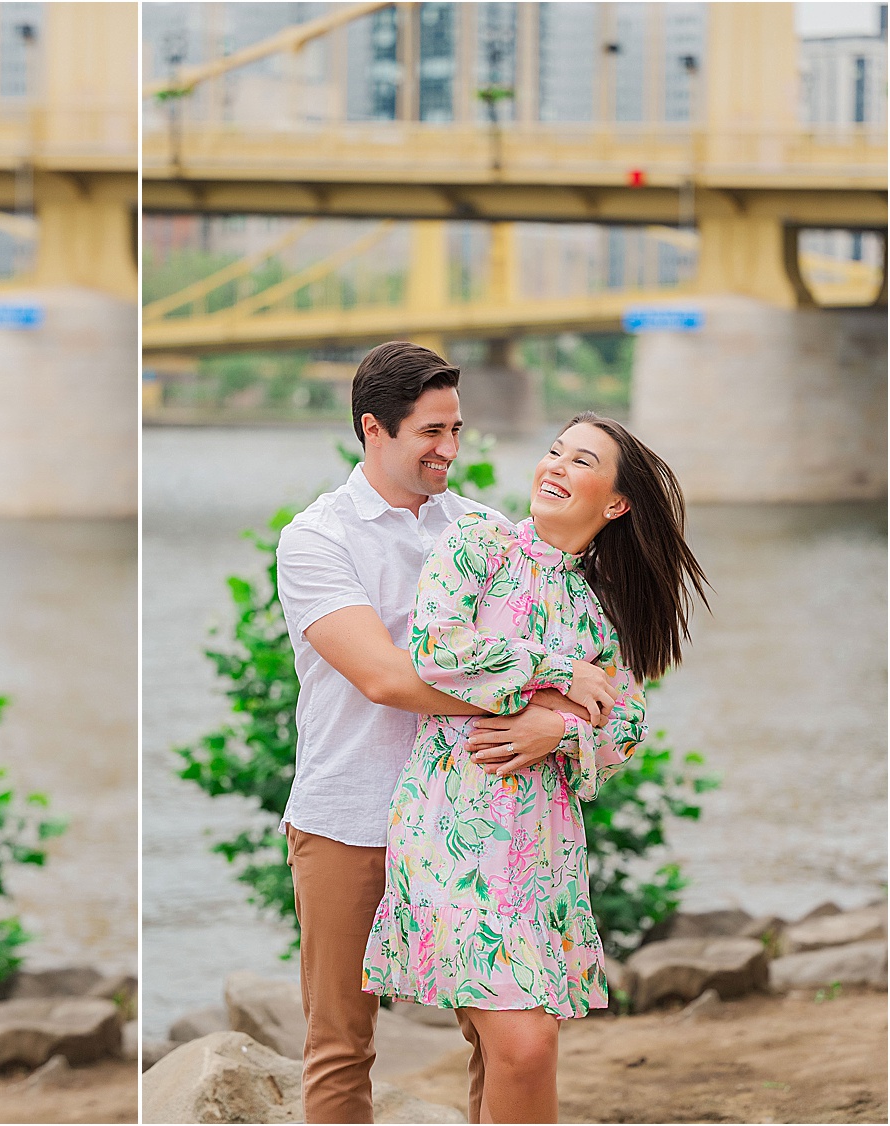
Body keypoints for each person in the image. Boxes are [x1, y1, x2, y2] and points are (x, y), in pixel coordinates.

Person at [275, 341, 591, 1123]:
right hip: (350, 814)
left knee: (499, 1035)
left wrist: (560, 721)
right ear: (372, 429)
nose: (450, 449)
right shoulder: (317, 539)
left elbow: (589, 669)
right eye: (430, 433)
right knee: (342, 1043)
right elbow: (382, 678)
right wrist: (538, 708)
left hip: (472, 819)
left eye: (456, 428)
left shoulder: (490, 532)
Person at [362, 412, 709, 1123]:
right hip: (454, 824)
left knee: (532, 1044)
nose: (554, 466)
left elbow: (629, 723)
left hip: (543, 847)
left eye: (580, 461)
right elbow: (437, 648)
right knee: (521, 1044)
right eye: (554, 451)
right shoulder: (478, 541)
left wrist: (556, 726)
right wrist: (559, 674)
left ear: (615, 504)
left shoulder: (603, 608)